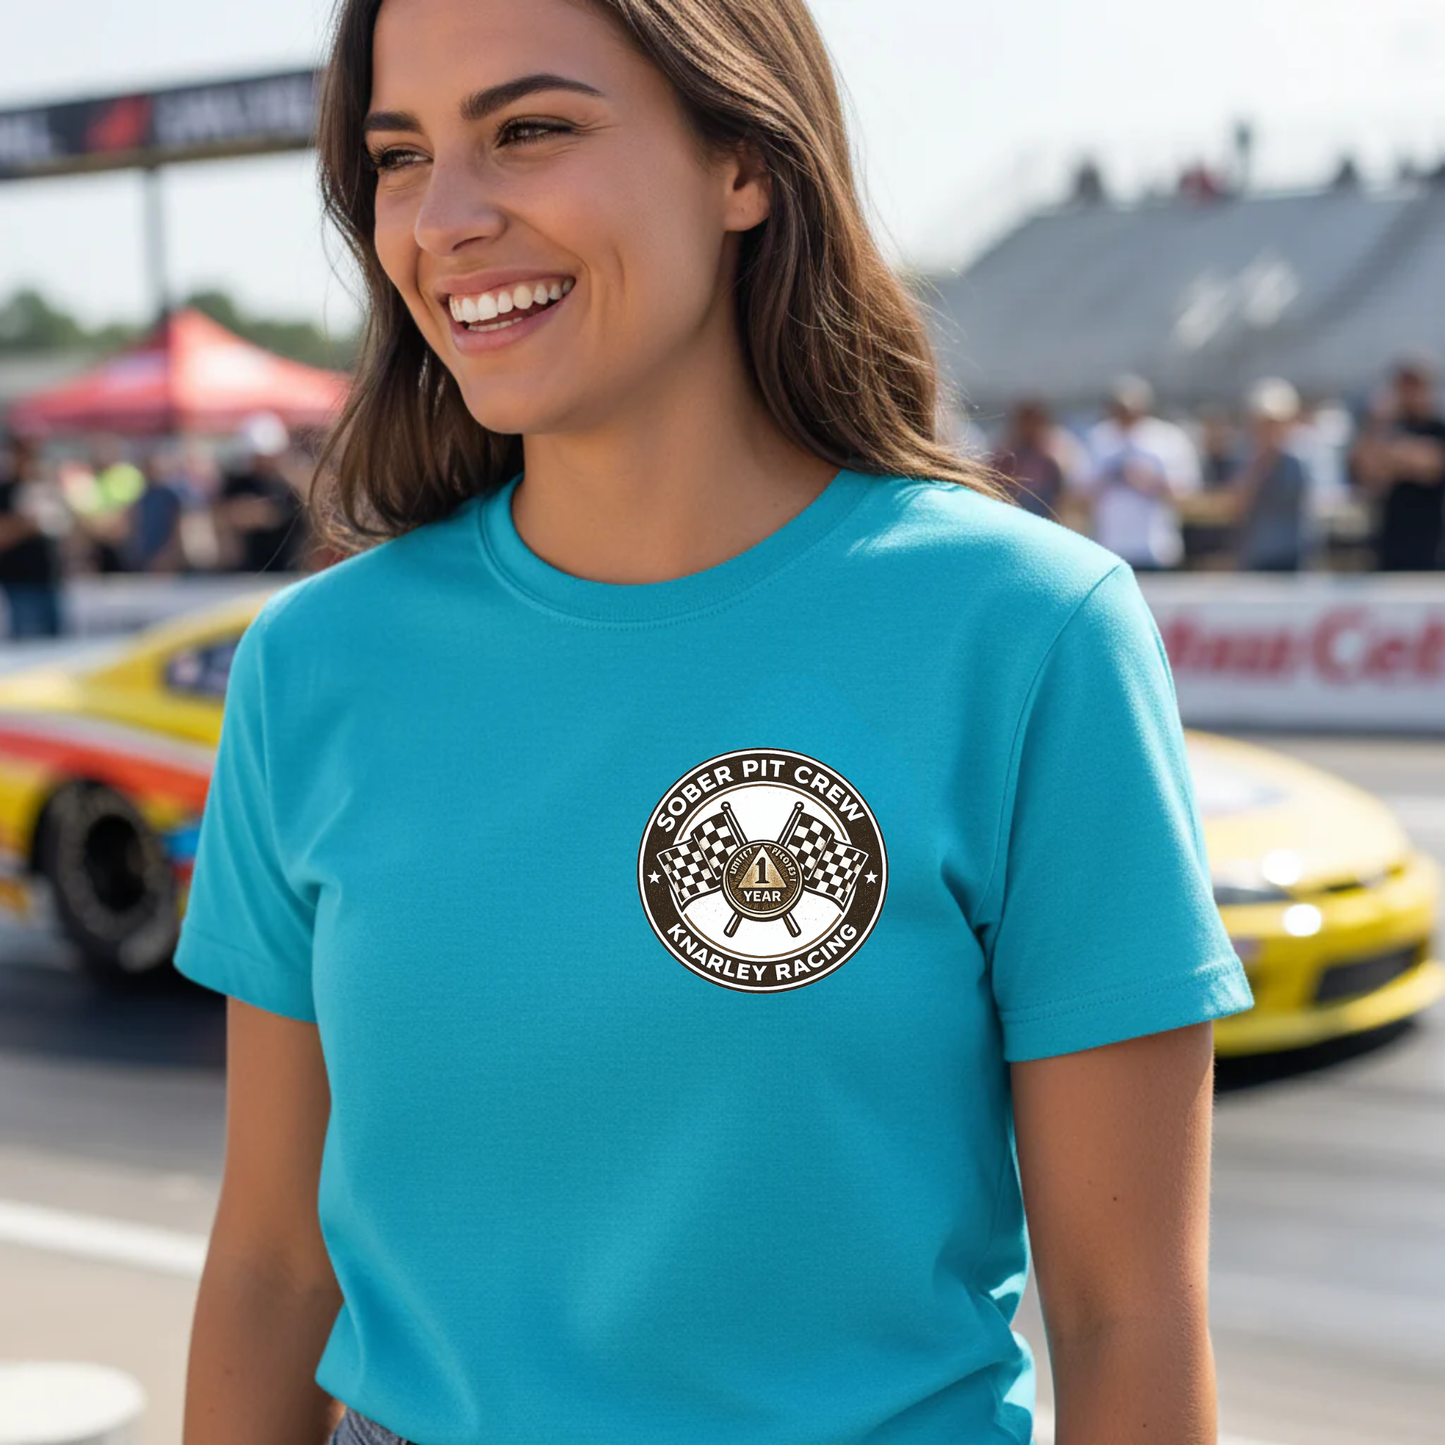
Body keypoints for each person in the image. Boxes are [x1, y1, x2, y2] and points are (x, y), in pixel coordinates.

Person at [173, 4, 1253, 1444]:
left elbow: (1128, 1320)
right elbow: (268, 1266)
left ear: (743, 159)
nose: (445, 218)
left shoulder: (1026, 631)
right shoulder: (314, 666)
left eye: (529, 130)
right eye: (396, 156)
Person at [1075, 375, 1202, 571]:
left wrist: (1147, 481)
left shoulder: (1168, 438)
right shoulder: (1097, 438)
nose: (1125, 415)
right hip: (1109, 549)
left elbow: (1185, 492)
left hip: (1155, 548)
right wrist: (1109, 478)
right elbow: (1080, 494)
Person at [1350, 354, 1445, 570]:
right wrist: (1377, 425)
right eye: (1403, 385)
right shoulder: (1384, 428)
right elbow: (1368, 475)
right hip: (1389, 545)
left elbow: (1430, 465)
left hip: (1431, 546)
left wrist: (1392, 456)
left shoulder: (1438, 428)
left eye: (1415, 385)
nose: (1409, 392)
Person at [1227, 378, 1314, 572]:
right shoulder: (1244, 457)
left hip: (1292, 558)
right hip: (1254, 556)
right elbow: (1237, 506)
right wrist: (1260, 464)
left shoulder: (1301, 459)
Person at [214, 413, 310, 573]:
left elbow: (302, 521)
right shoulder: (236, 484)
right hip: (244, 573)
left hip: (286, 571)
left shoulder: (289, 485)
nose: (263, 462)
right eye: (258, 456)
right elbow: (222, 519)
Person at [0, 435, 67, 638]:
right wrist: (28, 523)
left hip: (49, 578)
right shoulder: (5, 491)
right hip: (19, 582)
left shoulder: (46, 489)